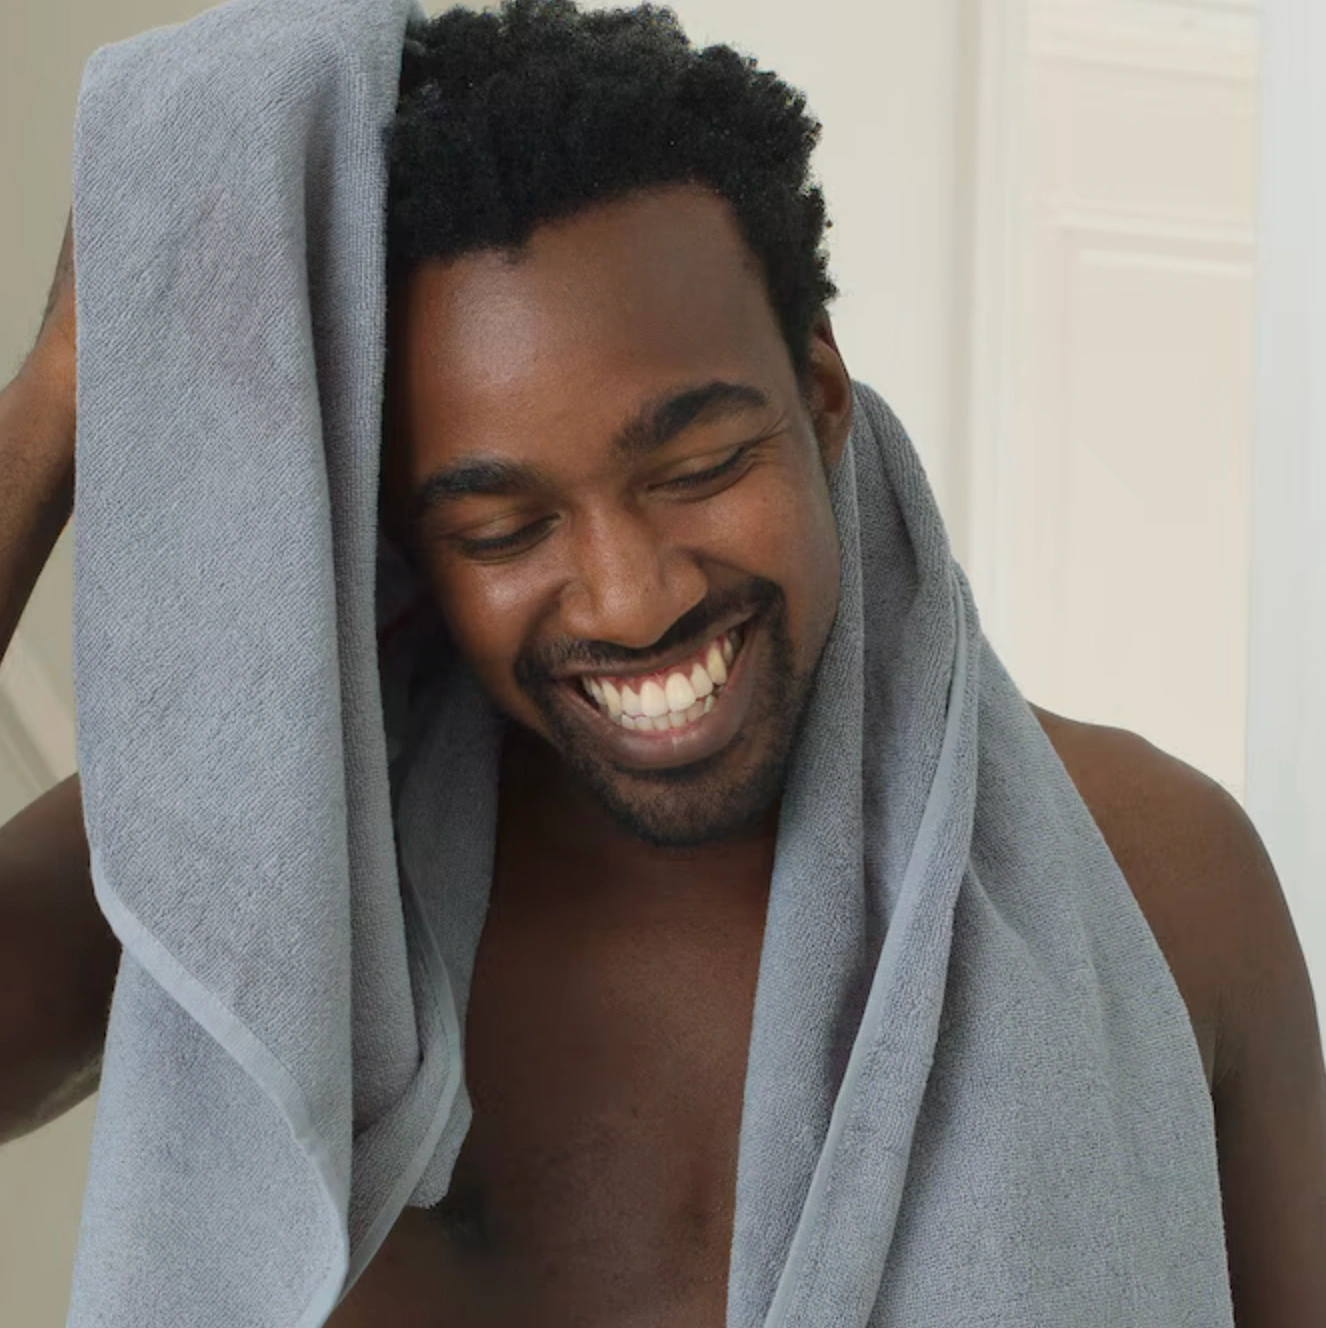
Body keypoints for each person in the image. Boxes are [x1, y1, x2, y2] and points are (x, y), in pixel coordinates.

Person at [2, 2, 1323, 1324]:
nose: (634, 601)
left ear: (818, 393)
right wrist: (60, 397)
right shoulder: (254, 875)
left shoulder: (1166, 880)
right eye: (502, 527)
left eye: (698, 469)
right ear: (406, 543)